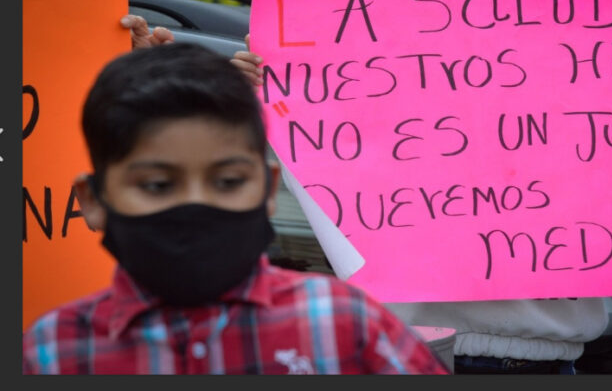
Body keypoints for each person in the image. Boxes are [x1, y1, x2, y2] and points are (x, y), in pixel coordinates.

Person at [119, 0, 612, 374]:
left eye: (490, 12)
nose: (470, 37)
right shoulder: (325, 103)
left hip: (553, 364)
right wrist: (158, 72)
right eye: (444, 17)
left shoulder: (602, 107)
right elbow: (198, 161)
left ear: (538, 12)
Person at [21, 43, 449, 375]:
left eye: (227, 182)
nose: (196, 204)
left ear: (267, 188)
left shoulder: (347, 325)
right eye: (156, 185)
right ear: (93, 201)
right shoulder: (51, 352)